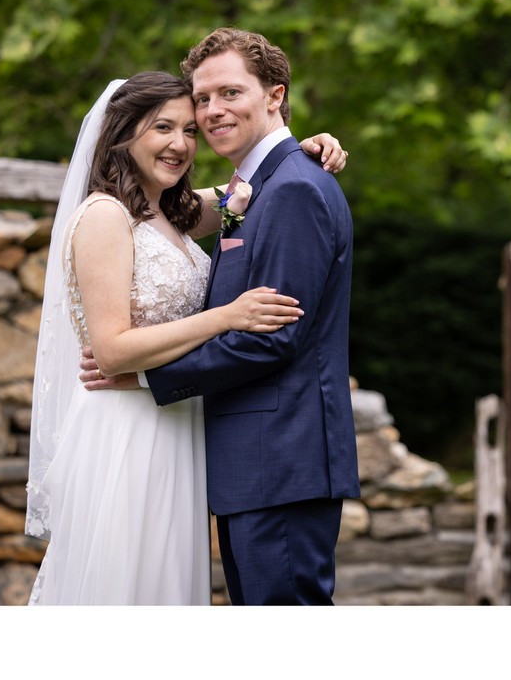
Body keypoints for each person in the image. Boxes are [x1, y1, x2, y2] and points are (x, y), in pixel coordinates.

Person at [25, 70, 348, 605]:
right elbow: (110, 350)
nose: (179, 144)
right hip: (126, 425)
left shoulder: (177, 212)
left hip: (175, 424)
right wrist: (226, 317)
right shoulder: (106, 215)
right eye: (162, 128)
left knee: (168, 586)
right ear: (123, 134)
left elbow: (260, 184)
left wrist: (309, 146)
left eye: (188, 130)